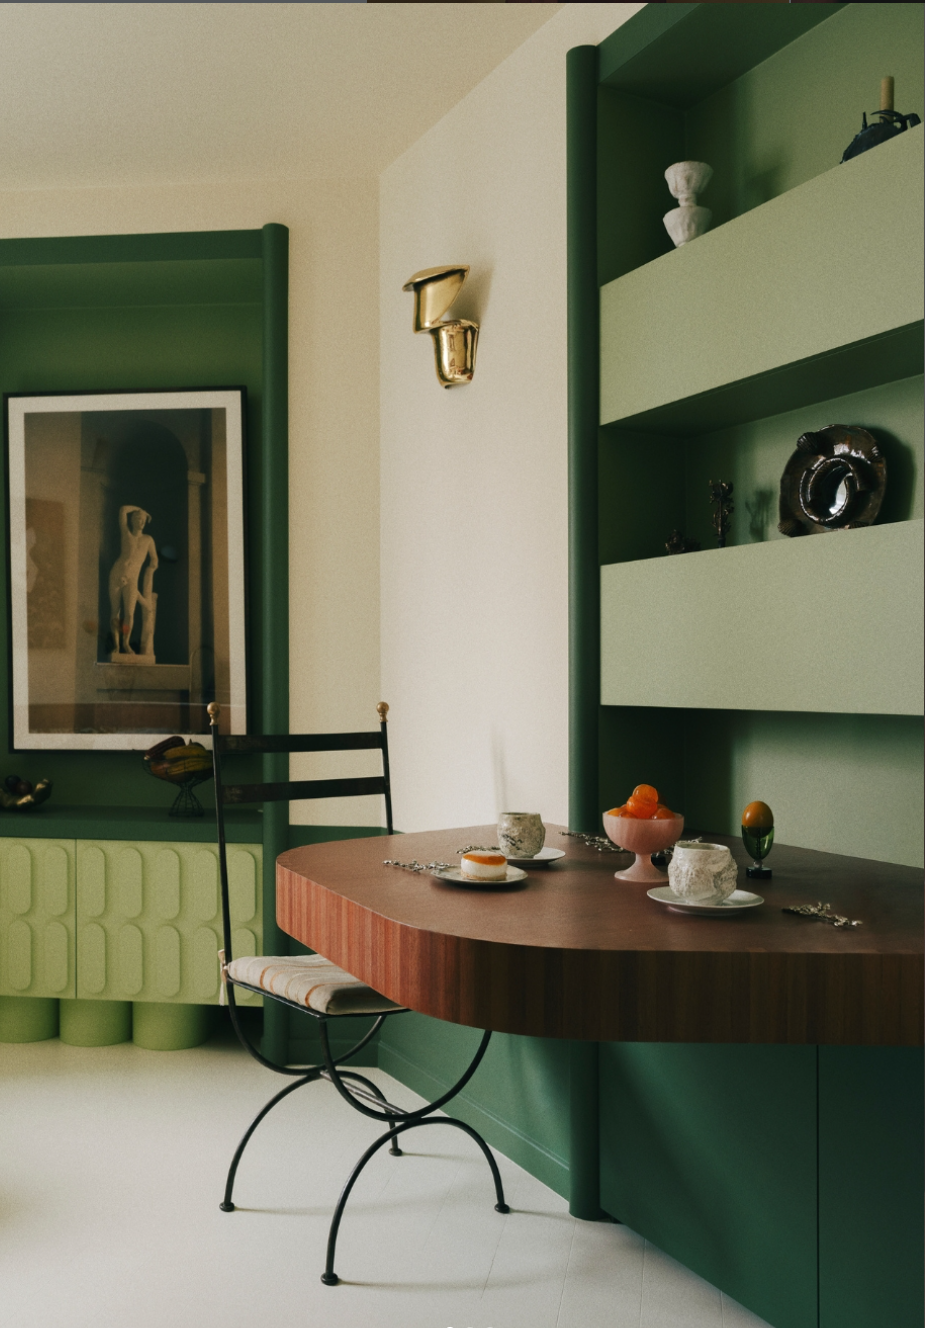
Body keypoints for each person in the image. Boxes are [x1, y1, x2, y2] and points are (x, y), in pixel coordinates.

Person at [108, 505, 158, 656]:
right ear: (132, 521)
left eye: (143, 520)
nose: (141, 522)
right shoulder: (126, 533)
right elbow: (122, 509)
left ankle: (126, 643)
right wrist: (140, 509)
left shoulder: (148, 540)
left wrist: (152, 568)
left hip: (132, 580)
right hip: (117, 574)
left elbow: (154, 559)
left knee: (130, 614)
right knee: (116, 611)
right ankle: (116, 646)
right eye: (138, 519)